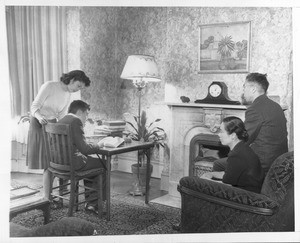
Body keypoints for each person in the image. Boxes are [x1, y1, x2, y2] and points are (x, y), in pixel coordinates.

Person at [26, 70, 91, 198]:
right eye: (78, 86)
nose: (78, 90)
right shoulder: (49, 86)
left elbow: (61, 115)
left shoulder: (68, 95)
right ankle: (47, 197)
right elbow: (34, 106)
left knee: (60, 157)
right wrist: (40, 118)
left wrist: (70, 127)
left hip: (53, 125)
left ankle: (62, 192)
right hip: (39, 123)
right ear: (72, 80)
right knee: (48, 163)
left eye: (81, 88)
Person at [213, 73, 288, 174]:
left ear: (253, 89)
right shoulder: (276, 106)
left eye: (244, 87)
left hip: (262, 164)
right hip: (279, 161)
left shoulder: (255, 109)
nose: (243, 91)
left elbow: (243, 139)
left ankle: (231, 190)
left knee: (218, 163)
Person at [56, 100, 106, 214]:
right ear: (80, 112)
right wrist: (99, 145)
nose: (86, 118)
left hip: (59, 164)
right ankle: (92, 204)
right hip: (73, 164)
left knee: (91, 163)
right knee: (104, 164)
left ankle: (91, 201)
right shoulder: (76, 121)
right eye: (86, 114)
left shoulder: (61, 121)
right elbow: (85, 149)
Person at [205, 116, 265, 193]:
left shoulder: (236, 155)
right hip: (251, 191)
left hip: (248, 196)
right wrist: (211, 174)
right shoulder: (242, 148)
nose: (219, 135)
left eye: (222, 131)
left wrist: (207, 181)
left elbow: (227, 185)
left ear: (233, 136)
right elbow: (229, 174)